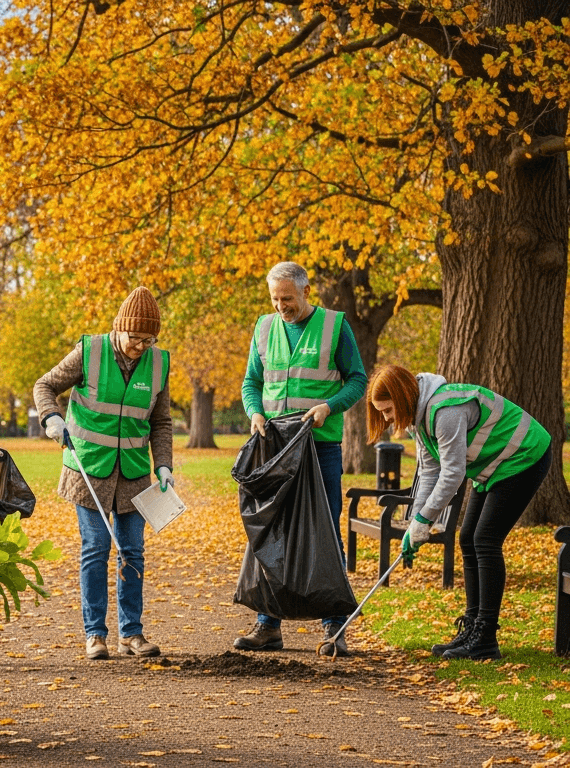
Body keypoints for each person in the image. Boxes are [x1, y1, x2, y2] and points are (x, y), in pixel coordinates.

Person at [366, 365, 551, 660]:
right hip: (493, 465)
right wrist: (416, 522)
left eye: (388, 410)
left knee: (485, 541)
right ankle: (472, 627)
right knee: (468, 539)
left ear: (401, 397)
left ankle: (485, 638)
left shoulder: (445, 410)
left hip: (523, 454)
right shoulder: (418, 420)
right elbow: (430, 471)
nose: (387, 419)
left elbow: (453, 473)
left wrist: (426, 519)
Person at [33, 287, 174, 660]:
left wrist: (163, 464)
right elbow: (44, 385)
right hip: (88, 469)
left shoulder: (159, 363)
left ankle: (132, 634)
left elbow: (161, 421)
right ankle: (95, 634)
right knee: (96, 547)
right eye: (135, 338)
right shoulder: (90, 352)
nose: (140, 346)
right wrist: (51, 417)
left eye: (148, 340)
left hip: (133, 473)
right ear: (119, 328)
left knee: (133, 552)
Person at [235, 261, 367, 657]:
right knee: (271, 531)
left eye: (287, 298)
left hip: (318, 446)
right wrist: (254, 412)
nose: (281, 306)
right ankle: (268, 625)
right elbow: (251, 382)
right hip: (275, 447)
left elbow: (357, 379)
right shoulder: (264, 328)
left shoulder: (334, 326)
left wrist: (329, 406)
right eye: (275, 299)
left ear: (306, 292)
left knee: (324, 532)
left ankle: (335, 627)